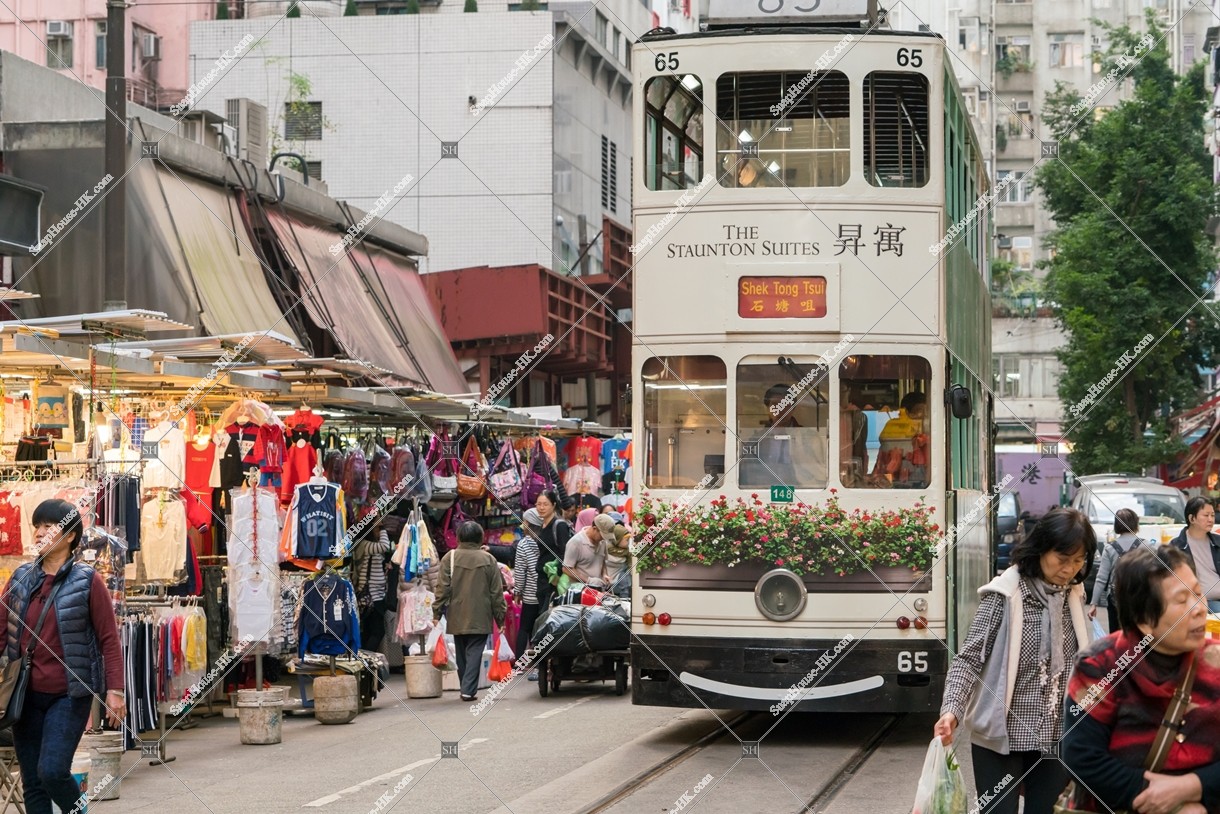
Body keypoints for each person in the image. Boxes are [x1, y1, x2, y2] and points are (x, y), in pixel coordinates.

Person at [934, 508, 1096, 814]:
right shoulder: (1005, 594)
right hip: (1002, 735)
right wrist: (951, 711)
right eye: (1062, 559)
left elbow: (1083, 661)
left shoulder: (1074, 594)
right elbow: (968, 658)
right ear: (1040, 550)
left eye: (1078, 561)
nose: (1070, 569)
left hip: (1055, 734)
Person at [1062, 546, 1219, 813]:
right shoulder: (1100, 667)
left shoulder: (1215, 660)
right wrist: (1170, 804)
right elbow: (1082, 757)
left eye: (1197, 592)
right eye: (1182, 600)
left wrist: (1194, 788)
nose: (1199, 608)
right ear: (1145, 620)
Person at [0, 499, 125, 814]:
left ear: (69, 535)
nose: (40, 532)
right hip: (24, 694)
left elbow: (109, 638)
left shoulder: (87, 580)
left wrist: (115, 690)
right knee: (33, 784)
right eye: (37, 526)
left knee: (52, 770)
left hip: (69, 695)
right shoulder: (20, 578)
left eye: (48, 526)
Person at [433, 521, 506, 702]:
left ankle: (466, 687)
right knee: (474, 652)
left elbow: (442, 589)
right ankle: (468, 689)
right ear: (480, 537)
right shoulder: (489, 560)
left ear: (459, 537)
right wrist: (500, 618)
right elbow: (496, 593)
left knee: (462, 652)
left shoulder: (449, 558)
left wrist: (436, 613)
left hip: (457, 614)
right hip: (481, 614)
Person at [1089, 508, 1157, 634]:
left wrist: (1093, 603)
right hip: (1139, 598)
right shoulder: (1146, 546)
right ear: (1136, 524)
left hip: (1116, 598)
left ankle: (1120, 653)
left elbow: (1101, 578)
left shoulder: (1109, 548)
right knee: (1139, 635)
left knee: (1116, 636)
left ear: (1117, 525)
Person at [1171, 497, 1220, 612]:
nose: (1211, 520)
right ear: (1192, 518)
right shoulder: (1177, 546)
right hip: (1199, 602)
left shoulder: (1218, 541)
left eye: (1212, 515)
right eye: (1206, 515)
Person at [513, 510, 542, 675]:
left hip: (530, 594)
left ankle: (519, 663)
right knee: (540, 628)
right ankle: (538, 662)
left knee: (525, 628)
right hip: (545, 594)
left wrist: (518, 591)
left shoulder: (523, 544)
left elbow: (520, 571)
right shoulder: (546, 541)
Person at [533, 490, 572, 609]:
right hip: (542, 578)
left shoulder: (559, 525)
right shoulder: (541, 525)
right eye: (539, 504)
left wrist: (557, 574)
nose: (541, 508)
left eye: (545, 504)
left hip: (553, 580)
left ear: (554, 505)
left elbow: (564, 553)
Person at [564, 514, 612, 590]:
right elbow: (567, 569)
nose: (603, 538)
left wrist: (604, 575)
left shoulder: (602, 542)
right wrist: (588, 580)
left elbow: (603, 562)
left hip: (598, 589)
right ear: (594, 528)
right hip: (580, 591)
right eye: (602, 535)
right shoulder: (576, 542)